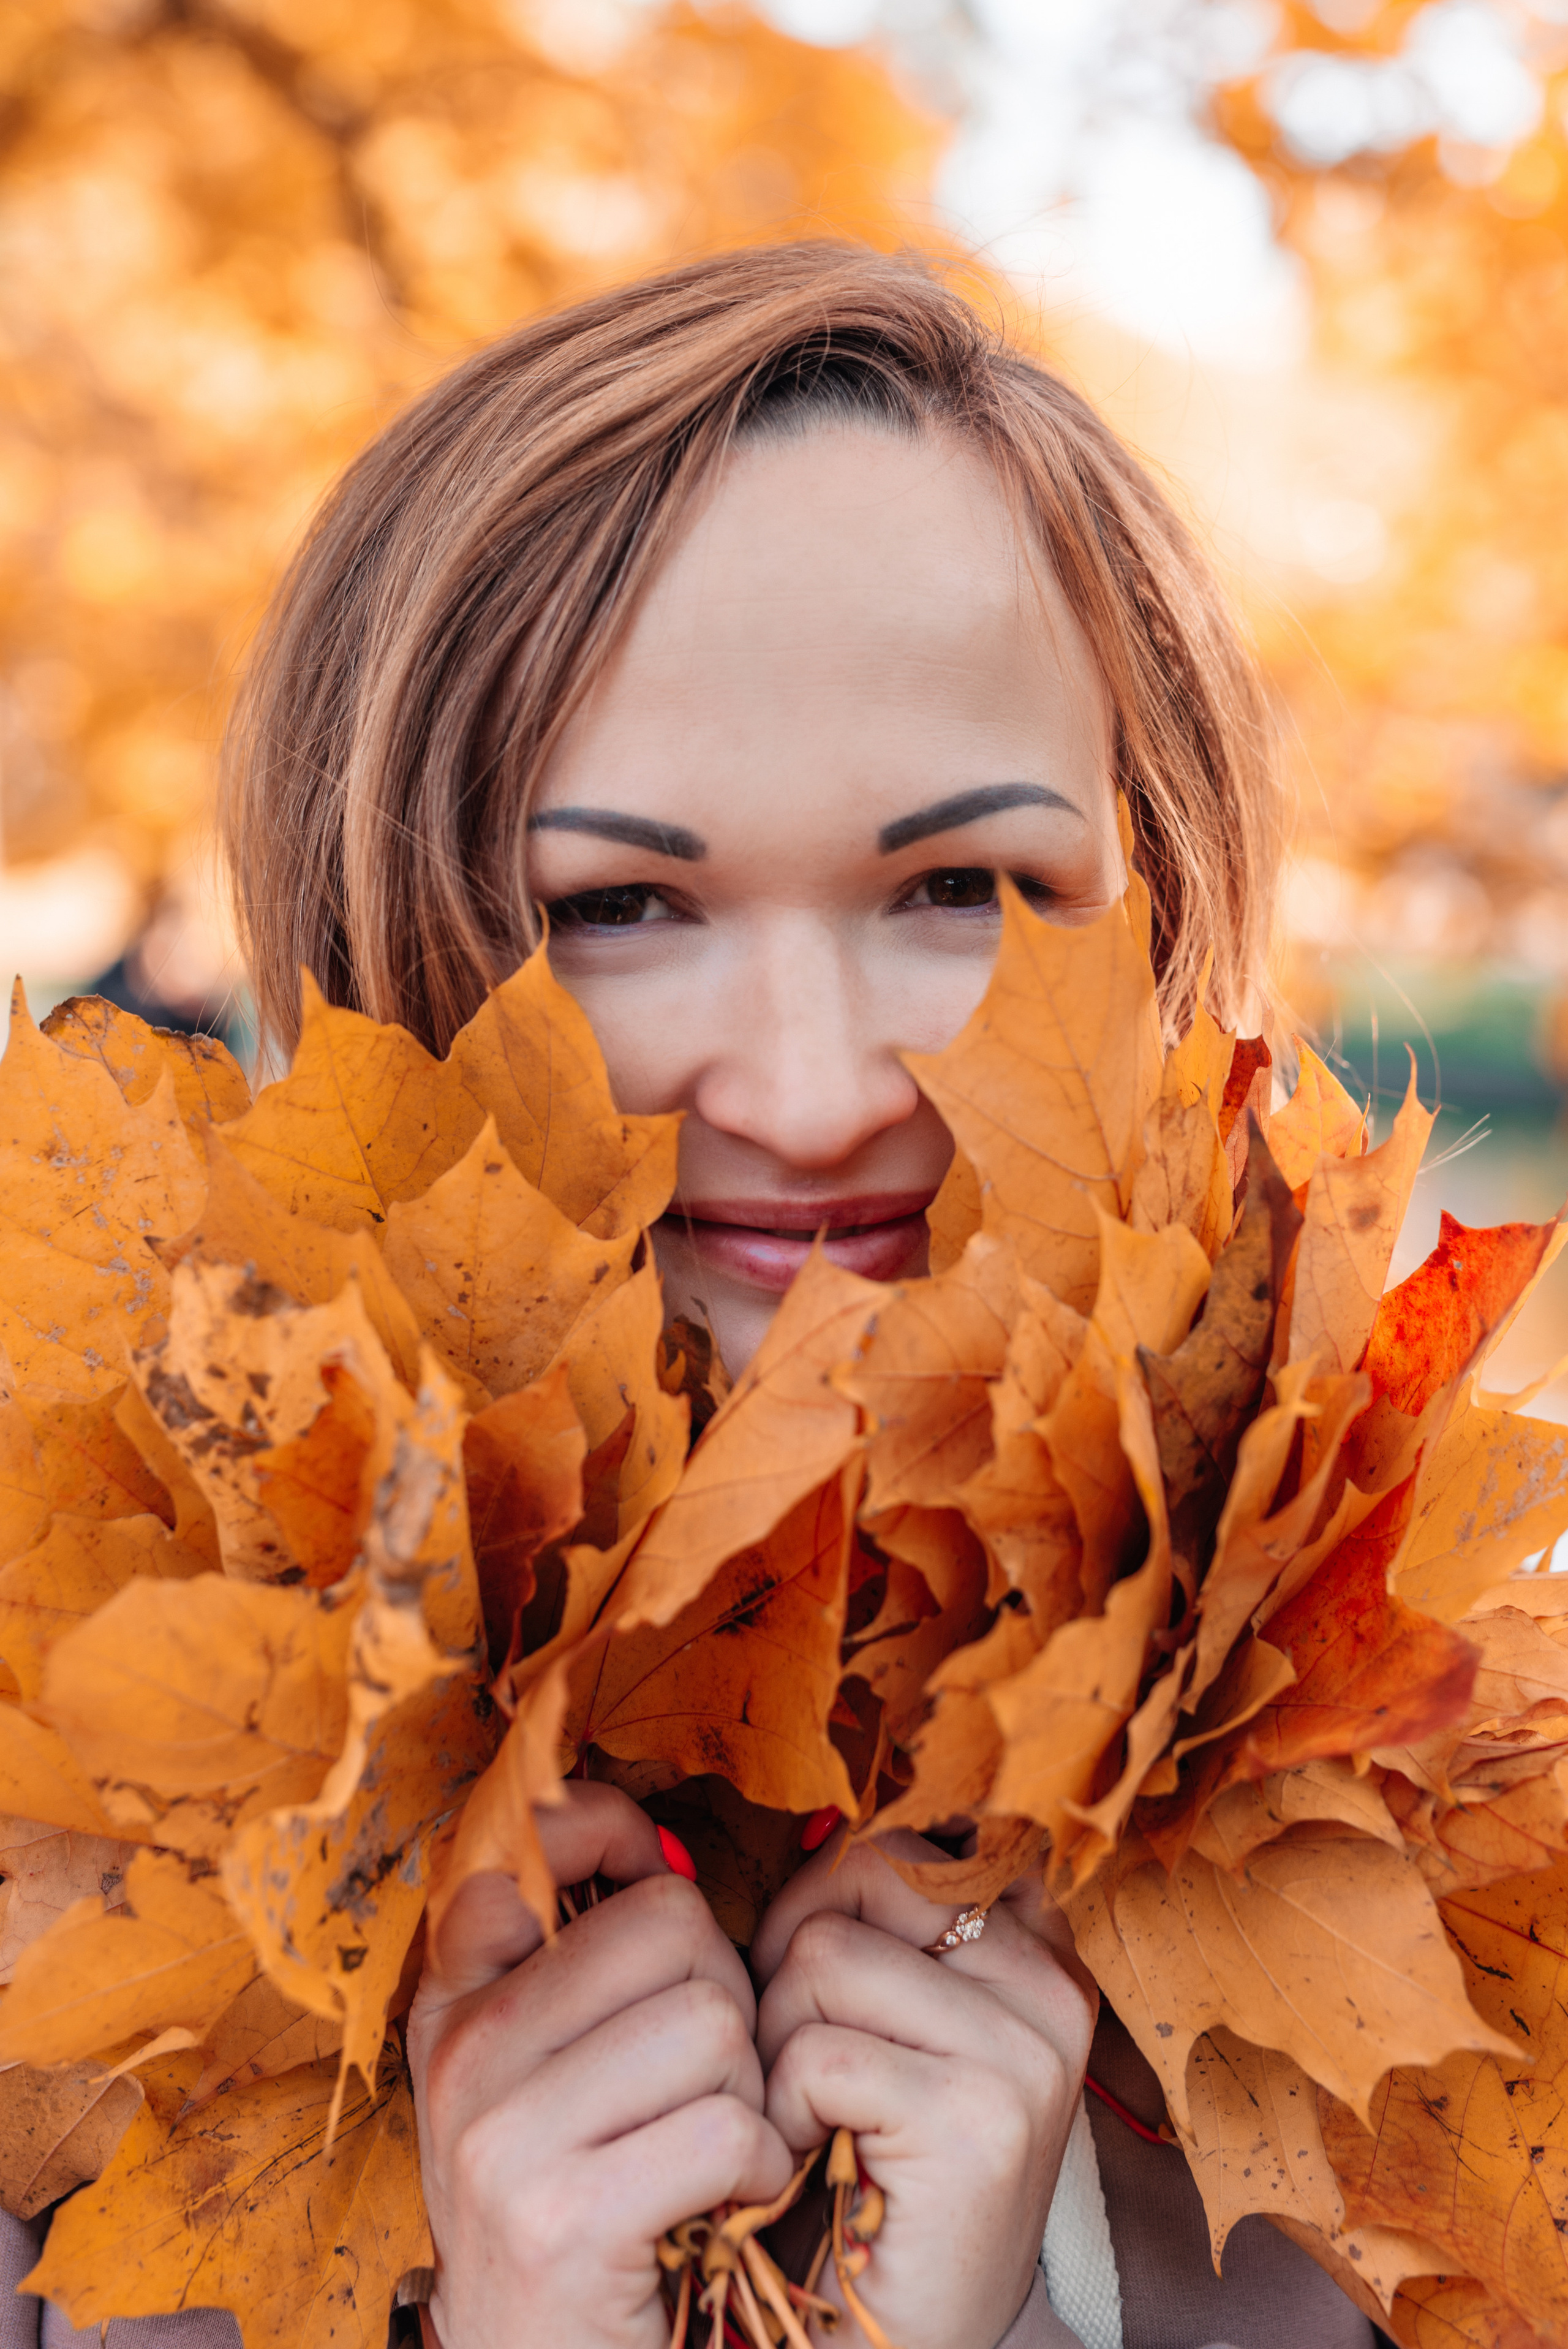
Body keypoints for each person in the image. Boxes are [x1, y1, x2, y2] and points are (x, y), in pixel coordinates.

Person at [1, 245, 1378, 2349]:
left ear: (1170, 928)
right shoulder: (72, 1950)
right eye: (624, 905)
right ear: (380, 959)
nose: (814, 1099)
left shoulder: (1436, 1957)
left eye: (964, 887)